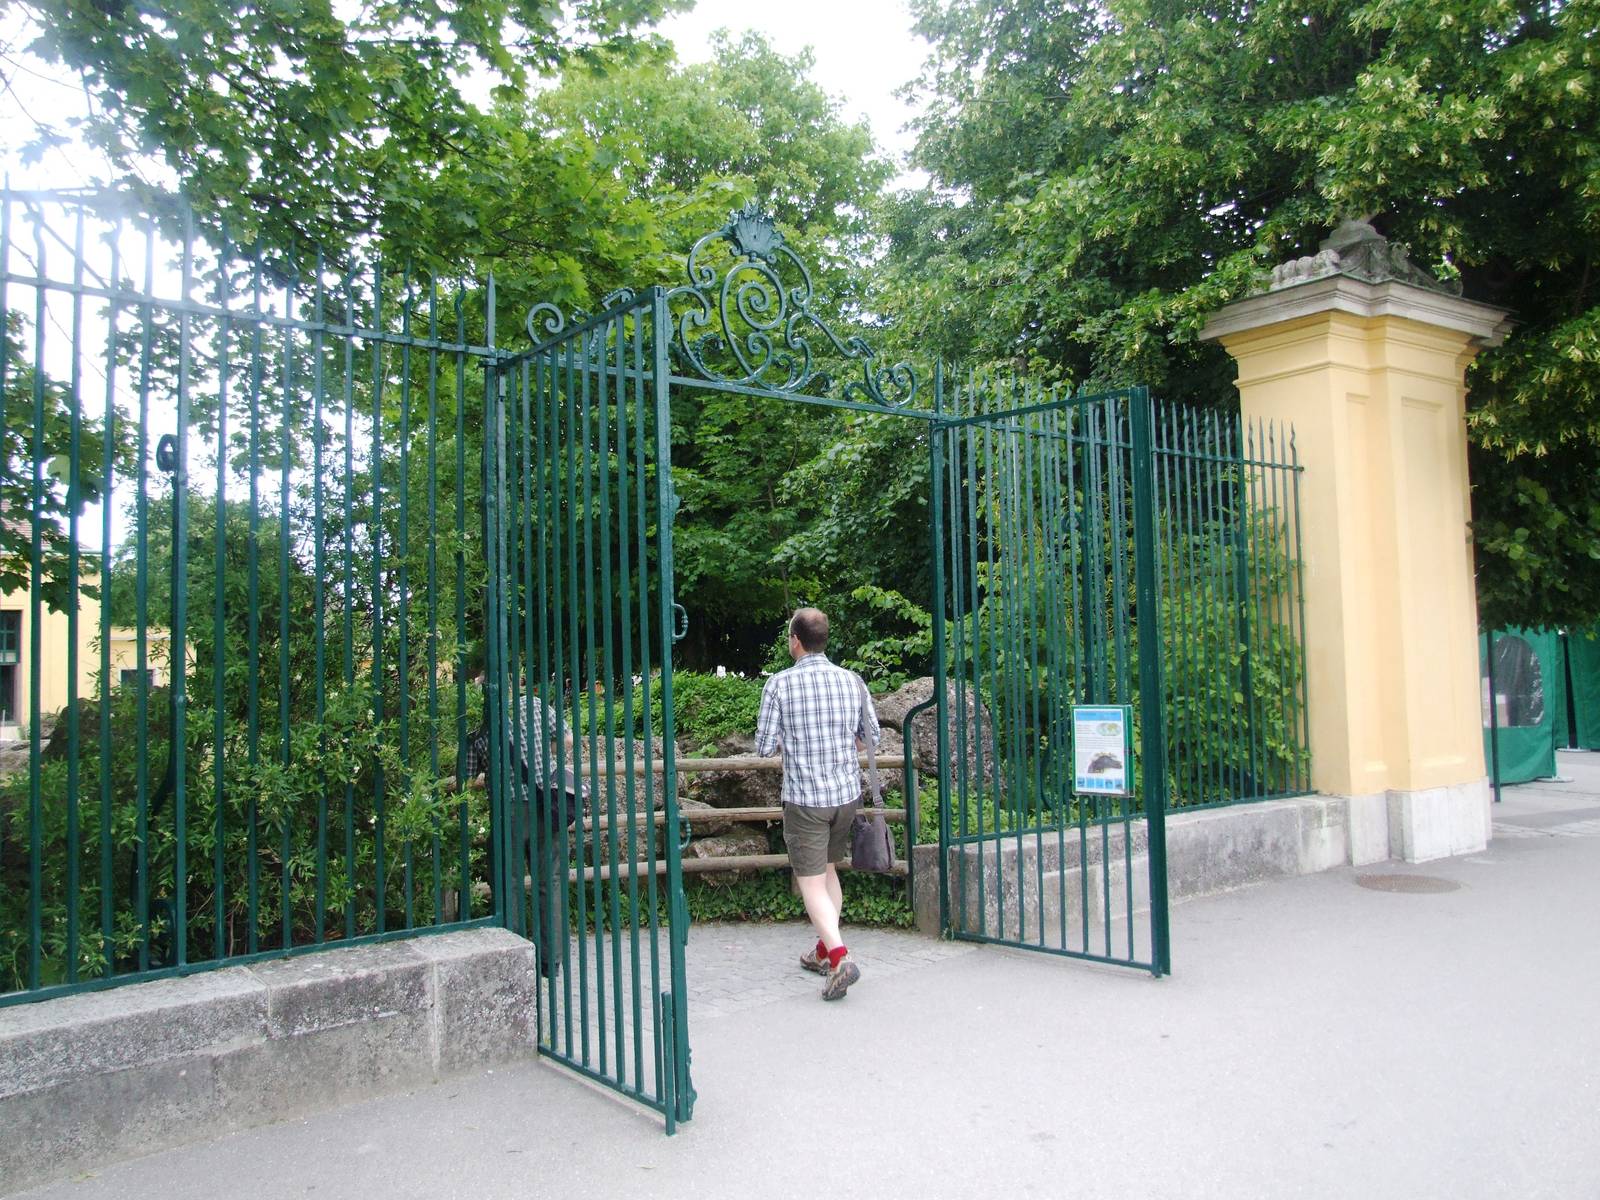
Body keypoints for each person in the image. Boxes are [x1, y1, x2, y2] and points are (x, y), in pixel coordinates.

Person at [755, 606, 879, 1001]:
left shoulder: (779, 684)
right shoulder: (852, 681)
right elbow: (871, 736)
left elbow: (763, 746)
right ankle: (823, 950)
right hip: (845, 795)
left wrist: (795, 744)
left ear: (795, 640)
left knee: (809, 882)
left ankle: (840, 958)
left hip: (805, 799)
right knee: (827, 873)